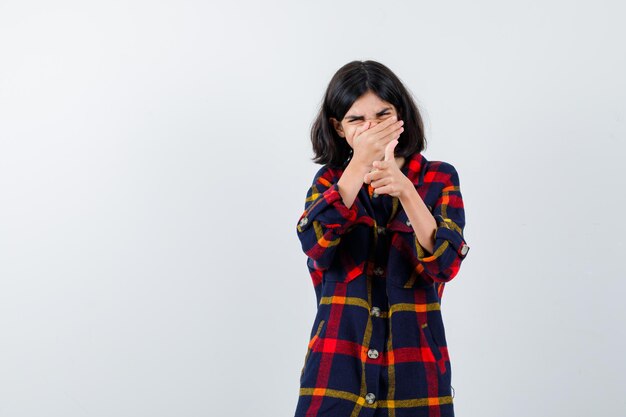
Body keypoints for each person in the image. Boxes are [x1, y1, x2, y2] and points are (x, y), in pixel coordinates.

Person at [294, 60, 470, 417]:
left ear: (400, 116)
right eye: (356, 120)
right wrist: (359, 165)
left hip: (416, 371)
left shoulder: (439, 178)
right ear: (338, 128)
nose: (371, 128)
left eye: (382, 115)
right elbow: (315, 246)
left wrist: (406, 191)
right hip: (336, 369)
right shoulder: (330, 182)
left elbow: (446, 264)